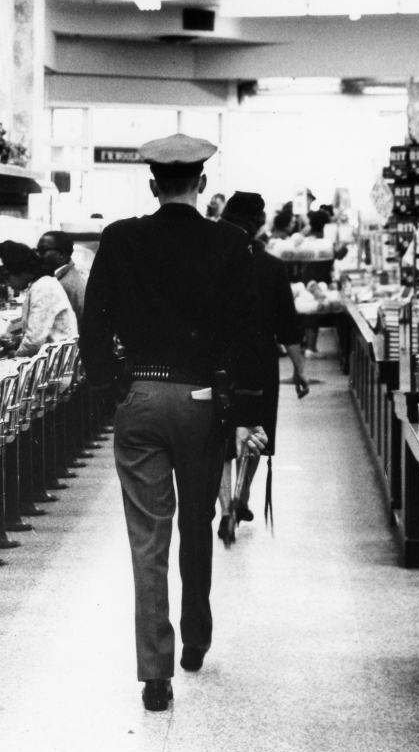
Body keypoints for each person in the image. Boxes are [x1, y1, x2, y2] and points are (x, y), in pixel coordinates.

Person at [79, 134, 268, 713]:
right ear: (203, 186)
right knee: (196, 521)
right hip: (204, 399)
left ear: (155, 186)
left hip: (139, 395)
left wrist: (113, 385)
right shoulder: (232, 243)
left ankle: (155, 672)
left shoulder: (120, 238)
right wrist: (248, 414)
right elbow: (251, 333)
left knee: (147, 537)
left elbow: (94, 321)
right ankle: (196, 636)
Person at [216, 192, 310, 538]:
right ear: (257, 224)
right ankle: (243, 495)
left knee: (222, 436)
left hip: (218, 362)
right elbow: (288, 325)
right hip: (259, 361)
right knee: (255, 432)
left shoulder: (211, 260)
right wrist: (300, 370)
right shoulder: (271, 266)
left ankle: (225, 505)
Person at [0, 240, 78, 358]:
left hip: (51, 365)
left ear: (20, 270)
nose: (8, 283)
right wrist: (18, 340)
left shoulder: (43, 288)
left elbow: (34, 341)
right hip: (52, 359)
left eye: (7, 276)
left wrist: (14, 355)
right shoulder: (42, 284)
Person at [36, 230, 89, 323]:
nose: (38, 255)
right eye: (37, 250)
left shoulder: (64, 285)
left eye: (42, 250)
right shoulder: (70, 276)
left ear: (61, 254)